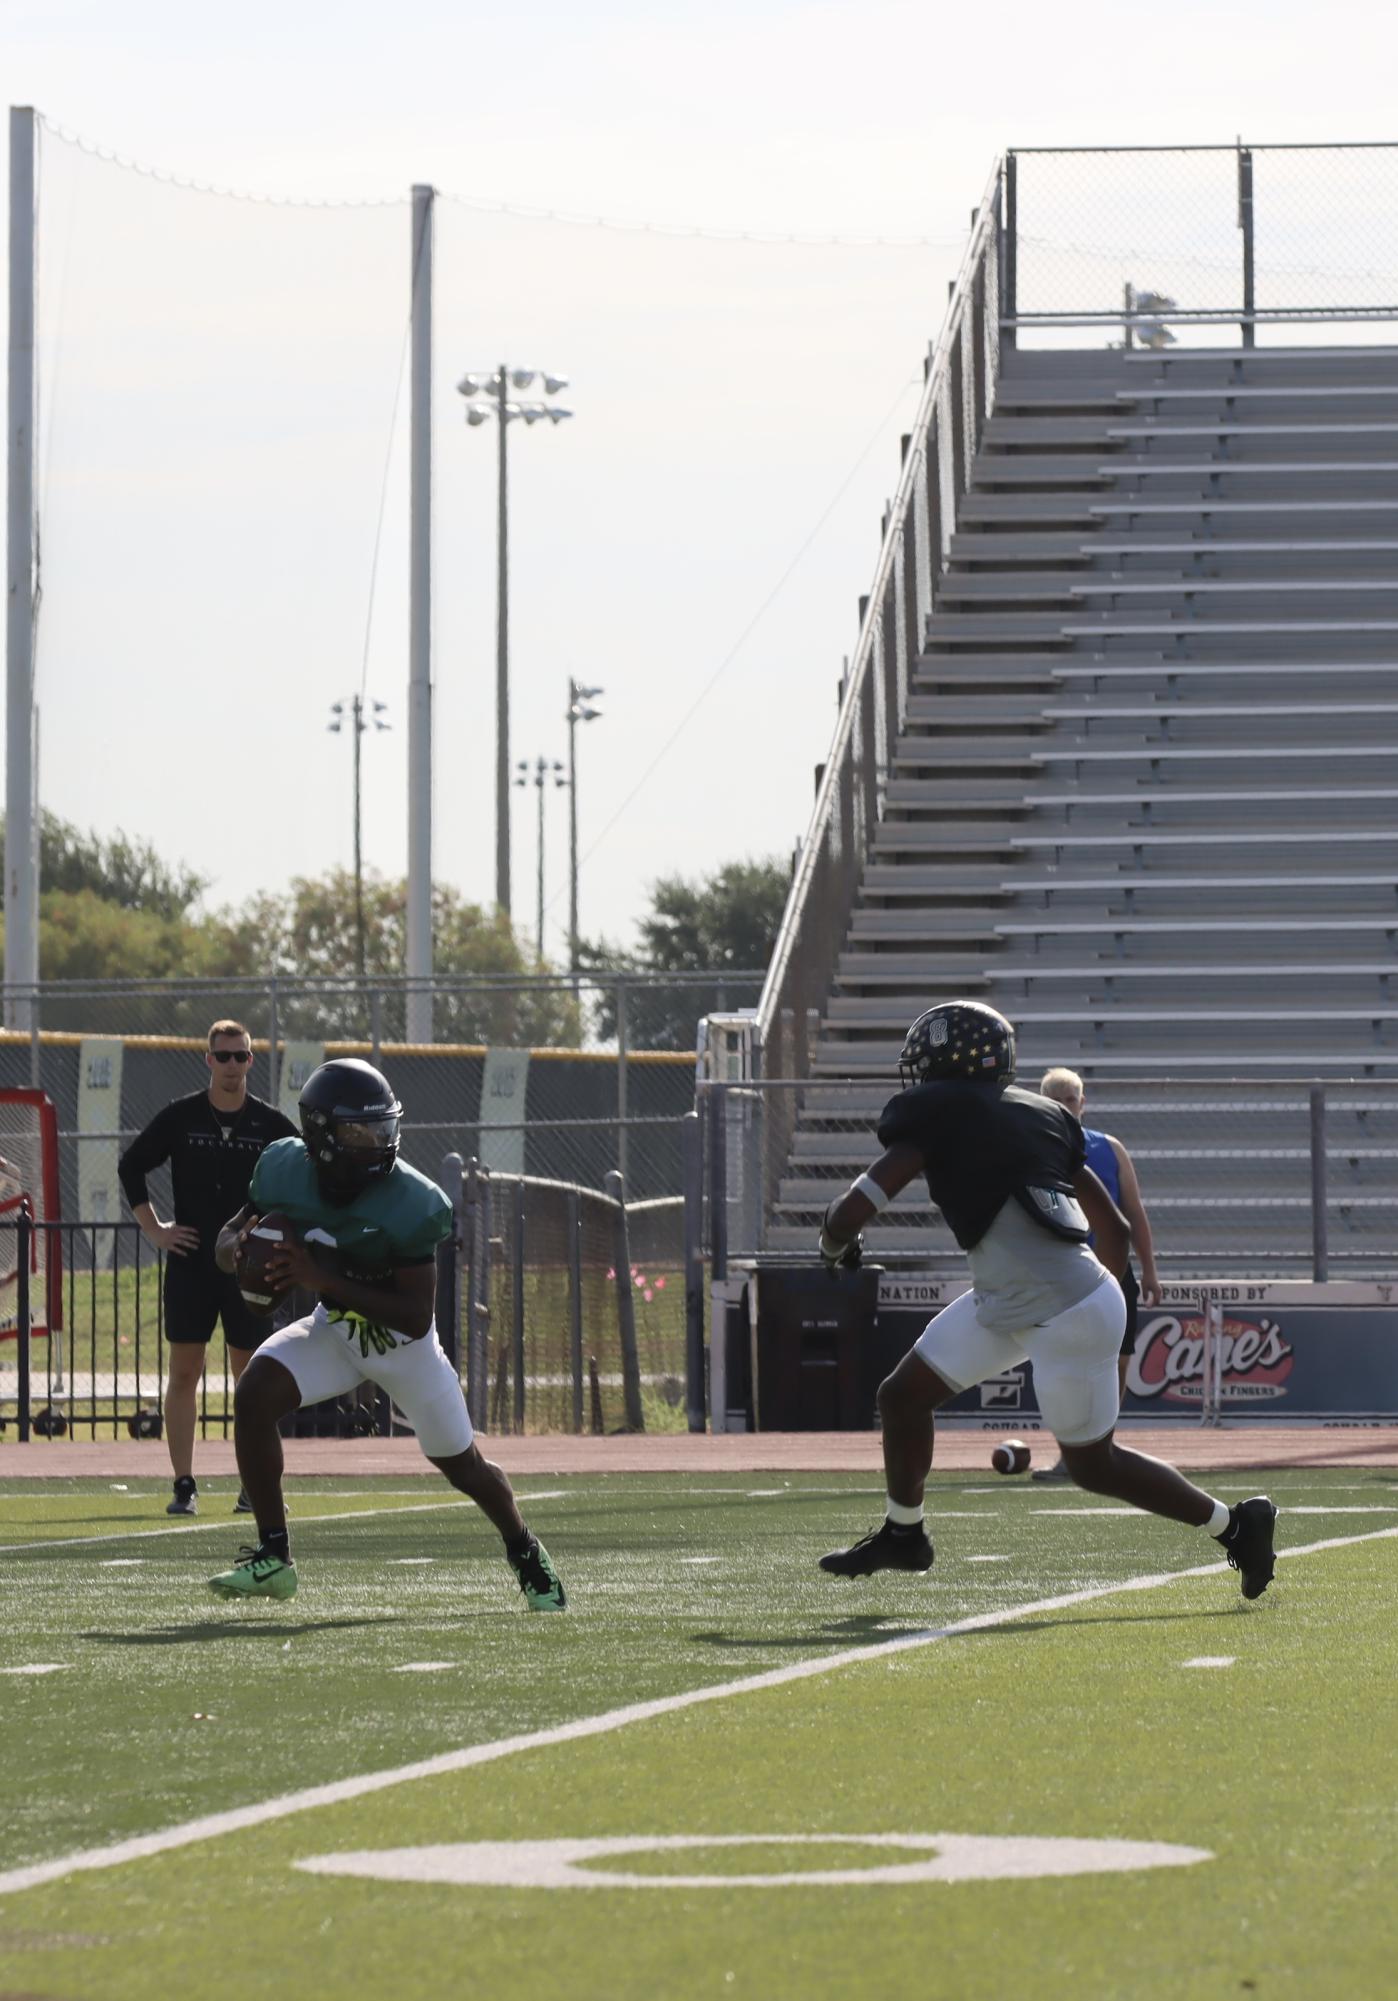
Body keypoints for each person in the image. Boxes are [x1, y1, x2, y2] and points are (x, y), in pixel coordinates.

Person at [815, 1001, 1277, 1599]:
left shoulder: (937, 1114)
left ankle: (1237, 1524)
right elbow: (1111, 1225)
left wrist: (832, 1243)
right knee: (903, 1396)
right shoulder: (1045, 1116)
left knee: (1093, 1466)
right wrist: (1112, 1297)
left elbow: (849, 1213)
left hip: (1059, 1309)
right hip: (1022, 1300)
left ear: (946, 1060)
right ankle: (905, 1534)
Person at [206, 1057, 566, 1611]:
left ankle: (524, 1549)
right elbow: (233, 1232)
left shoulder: (413, 1202)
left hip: (403, 1348)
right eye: (360, 1129)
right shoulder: (283, 1168)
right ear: (321, 1136)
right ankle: (274, 1556)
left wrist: (316, 1275)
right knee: (253, 1393)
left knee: (463, 1466)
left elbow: (415, 1314)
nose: (377, 1140)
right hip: (335, 1332)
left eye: (383, 1127)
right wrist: (237, 1254)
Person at [119, 1020, 298, 1517]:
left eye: (240, 1057)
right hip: (191, 1263)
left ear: (251, 1061)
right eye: (223, 1056)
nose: (232, 1066)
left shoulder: (269, 1124)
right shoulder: (181, 1117)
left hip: (248, 1267)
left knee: (253, 1377)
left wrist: (275, 1234)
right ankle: (183, 1483)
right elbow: (131, 1166)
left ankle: (253, 1483)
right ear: (208, 1059)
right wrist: (156, 1230)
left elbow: (304, 1174)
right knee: (184, 1373)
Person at [1031, 1064, 1160, 1482]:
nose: (1065, 1106)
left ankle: (1101, 1449)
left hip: (1112, 1270)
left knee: (1117, 1362)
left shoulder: (1109, 1148)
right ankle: (1070, 1454)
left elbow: (1134, 1212)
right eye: (1056, 1100)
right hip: (1062, 1273)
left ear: (1083, 1103)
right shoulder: (1031, 1149)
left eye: (1071, 1099)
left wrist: (1151, 1271)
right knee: (1065, 1363)